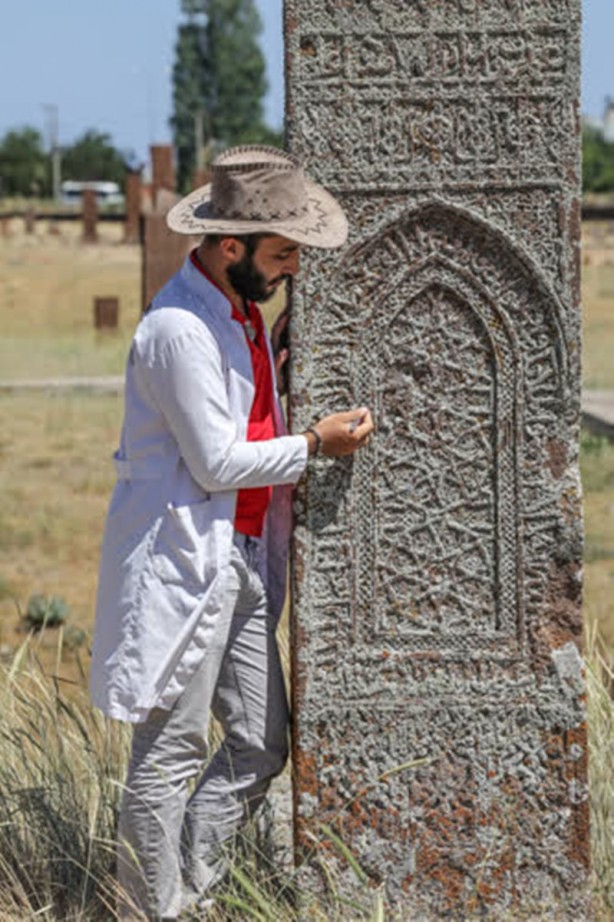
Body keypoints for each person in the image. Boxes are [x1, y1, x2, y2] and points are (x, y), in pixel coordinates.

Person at [89, 145, 374, 920]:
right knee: (169, 754)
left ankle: (192, 890)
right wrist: (315, 443)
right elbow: (215, 462)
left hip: (240, 558)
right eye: (281, 253)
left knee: (260, 743)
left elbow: (243, 417)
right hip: (189, 561)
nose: (290, 269)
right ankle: (157, 910)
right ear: (229, 247)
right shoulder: (179, 329)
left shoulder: (242, 315)